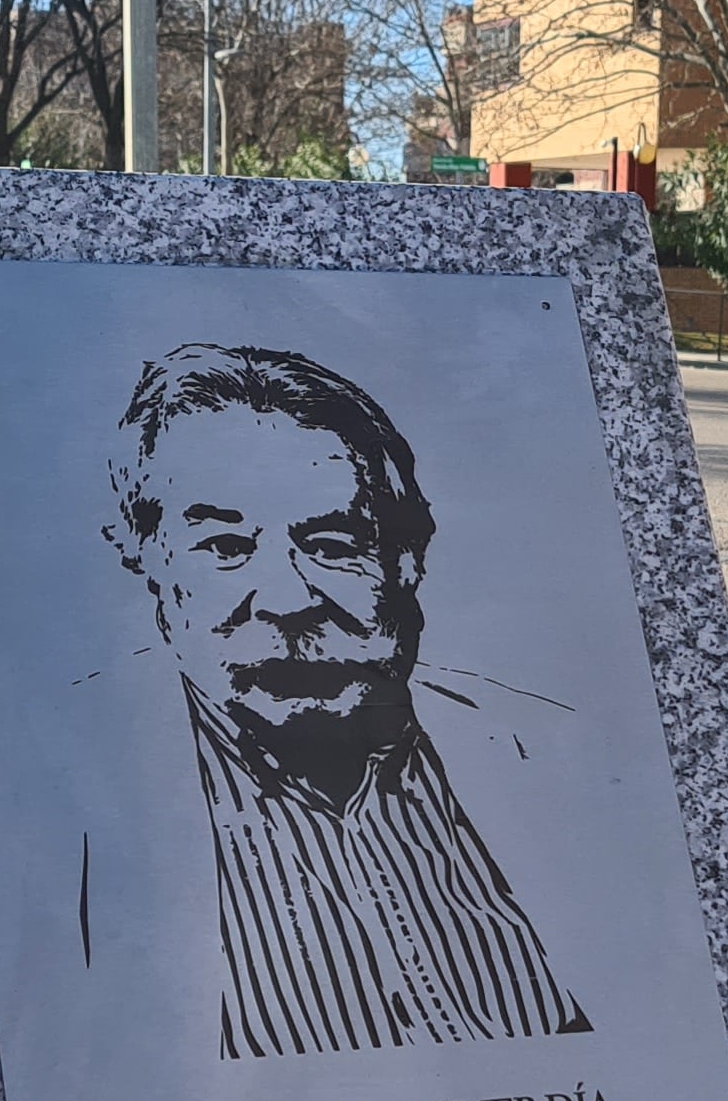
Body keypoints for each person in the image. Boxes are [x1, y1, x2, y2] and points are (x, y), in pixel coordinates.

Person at [102, 342, 588, 1059]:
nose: (288, 598)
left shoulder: (549, 748)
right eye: (225, 547)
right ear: (150, 562)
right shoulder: (67, 802)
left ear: (407, 561)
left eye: (333, 543)